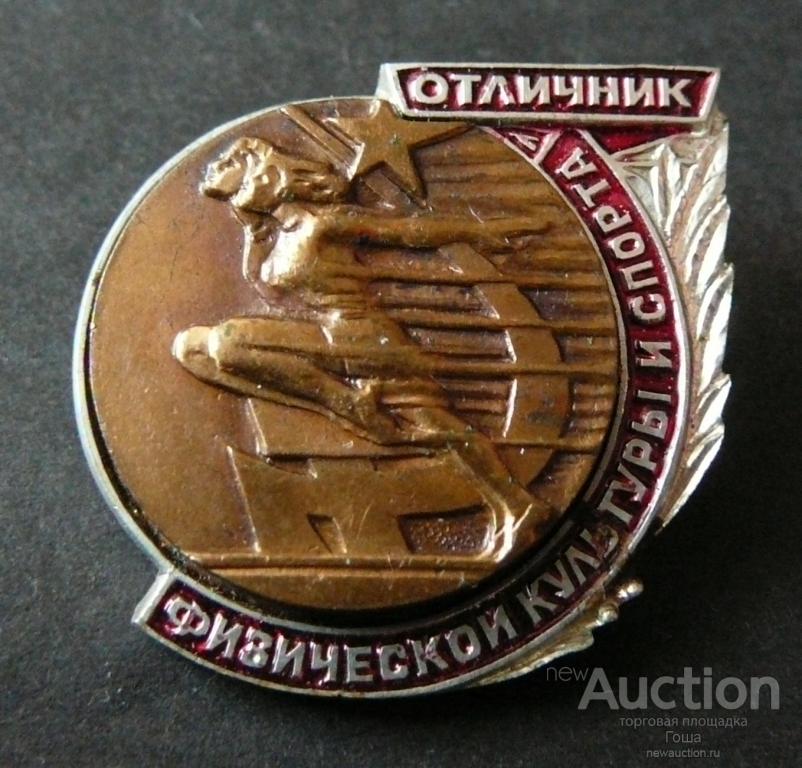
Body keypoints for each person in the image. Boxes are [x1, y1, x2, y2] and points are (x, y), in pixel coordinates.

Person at [174, 137, 557, 556]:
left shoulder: (326, 223)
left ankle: (518, 504)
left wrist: (480, 232)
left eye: (235, 179)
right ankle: (346, 405)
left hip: (365, 338)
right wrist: (253, 230)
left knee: (440, 428)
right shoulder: (275, 239)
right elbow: (269, 291)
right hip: (326, 338)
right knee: (199, 348)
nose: (232, 195)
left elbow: (408, 231)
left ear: (262, 178)